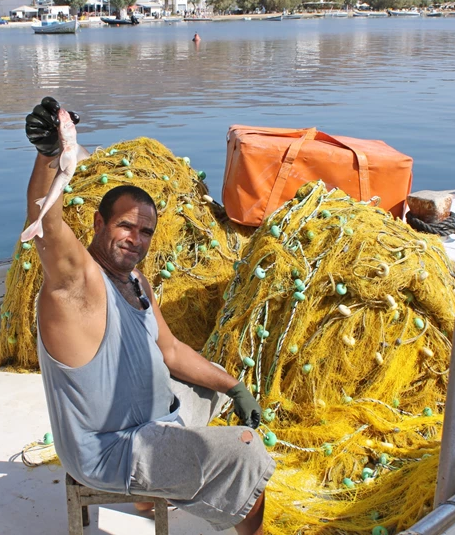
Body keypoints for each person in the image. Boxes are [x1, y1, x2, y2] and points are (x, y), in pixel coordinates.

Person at [24, 97, 275, 534]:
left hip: (156, 419)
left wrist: (236, 388)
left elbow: (172, 349)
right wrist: (50, 154)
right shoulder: (77, 286)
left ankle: (148, 497)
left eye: (145, 232)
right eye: (125, 226)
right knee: (246, 452)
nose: (135, 239)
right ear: (100, 223)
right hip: (114, 450)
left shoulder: (137, 281)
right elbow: (44, 223)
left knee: (210, 380)